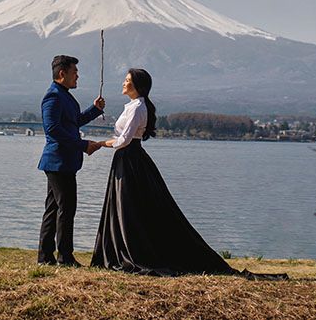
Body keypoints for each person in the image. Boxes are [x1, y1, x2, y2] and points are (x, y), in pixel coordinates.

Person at [90, 68, 236, 276]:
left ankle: (132, 250)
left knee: (128, 206)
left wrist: (99, 144)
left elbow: (124, 140)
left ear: (138, 86)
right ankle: (120, 248)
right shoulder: (133, 106)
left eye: (127, 80)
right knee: (125, 205)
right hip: (127, 159)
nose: (123, 83)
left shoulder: (138, 107)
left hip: (130, 159)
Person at [37, 54, 106, 266]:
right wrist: (83, 145)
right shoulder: (53, 97)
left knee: (54, 209)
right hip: (59, 162)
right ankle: (64, 257)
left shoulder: (63, 95)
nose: (78, 76)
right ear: (62, 73)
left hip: (62, 162)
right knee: (66, 209)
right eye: (75, 72)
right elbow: (53, 130)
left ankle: (45, 256)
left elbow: (72, 122)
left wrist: (95, 110)